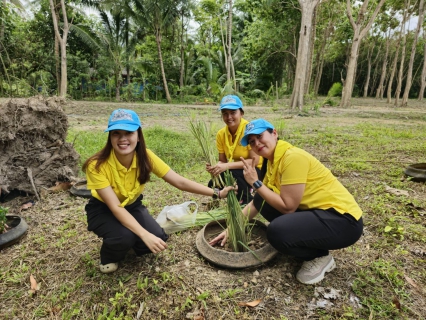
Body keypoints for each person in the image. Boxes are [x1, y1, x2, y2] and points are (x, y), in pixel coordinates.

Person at [210, 119, 363, 285]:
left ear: (274, 133)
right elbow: (257, 202)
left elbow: (288, 207)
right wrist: (232, 228)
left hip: (344, 221)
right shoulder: (271, 160)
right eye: (252, 142)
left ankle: (320, 257)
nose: (257, 143)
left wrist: (255, 182)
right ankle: (307, 244)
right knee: (264, 199)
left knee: (277, 232)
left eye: (260, 136)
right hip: (318, 212)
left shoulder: (292, 157)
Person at [83, 109, 233, 274]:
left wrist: (217, 193)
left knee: (158, 237)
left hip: (132, 206)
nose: (123, 138)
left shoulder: (145, 156)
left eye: (129, 132)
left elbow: (179, 181)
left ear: (138, 136)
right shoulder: (96, 165)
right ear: (110, 137)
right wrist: (143, 234)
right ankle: (109, 256)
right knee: (125, 237)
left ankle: (128, 240)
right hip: (104, 209)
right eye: (116, 133)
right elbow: (115, 207)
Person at [206, 95, 262, 204]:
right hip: (235, 170)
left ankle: (247, 201)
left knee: (235, 176)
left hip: (255, 170)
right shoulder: (221, 134)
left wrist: (226, 166)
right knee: (212, 184)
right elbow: (222, 160)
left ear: (241, 113)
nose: (229, 117)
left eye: (233, 112)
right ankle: (241, 193)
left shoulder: (249, 130)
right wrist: (215, 166)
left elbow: (255, 162)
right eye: (225, 113)